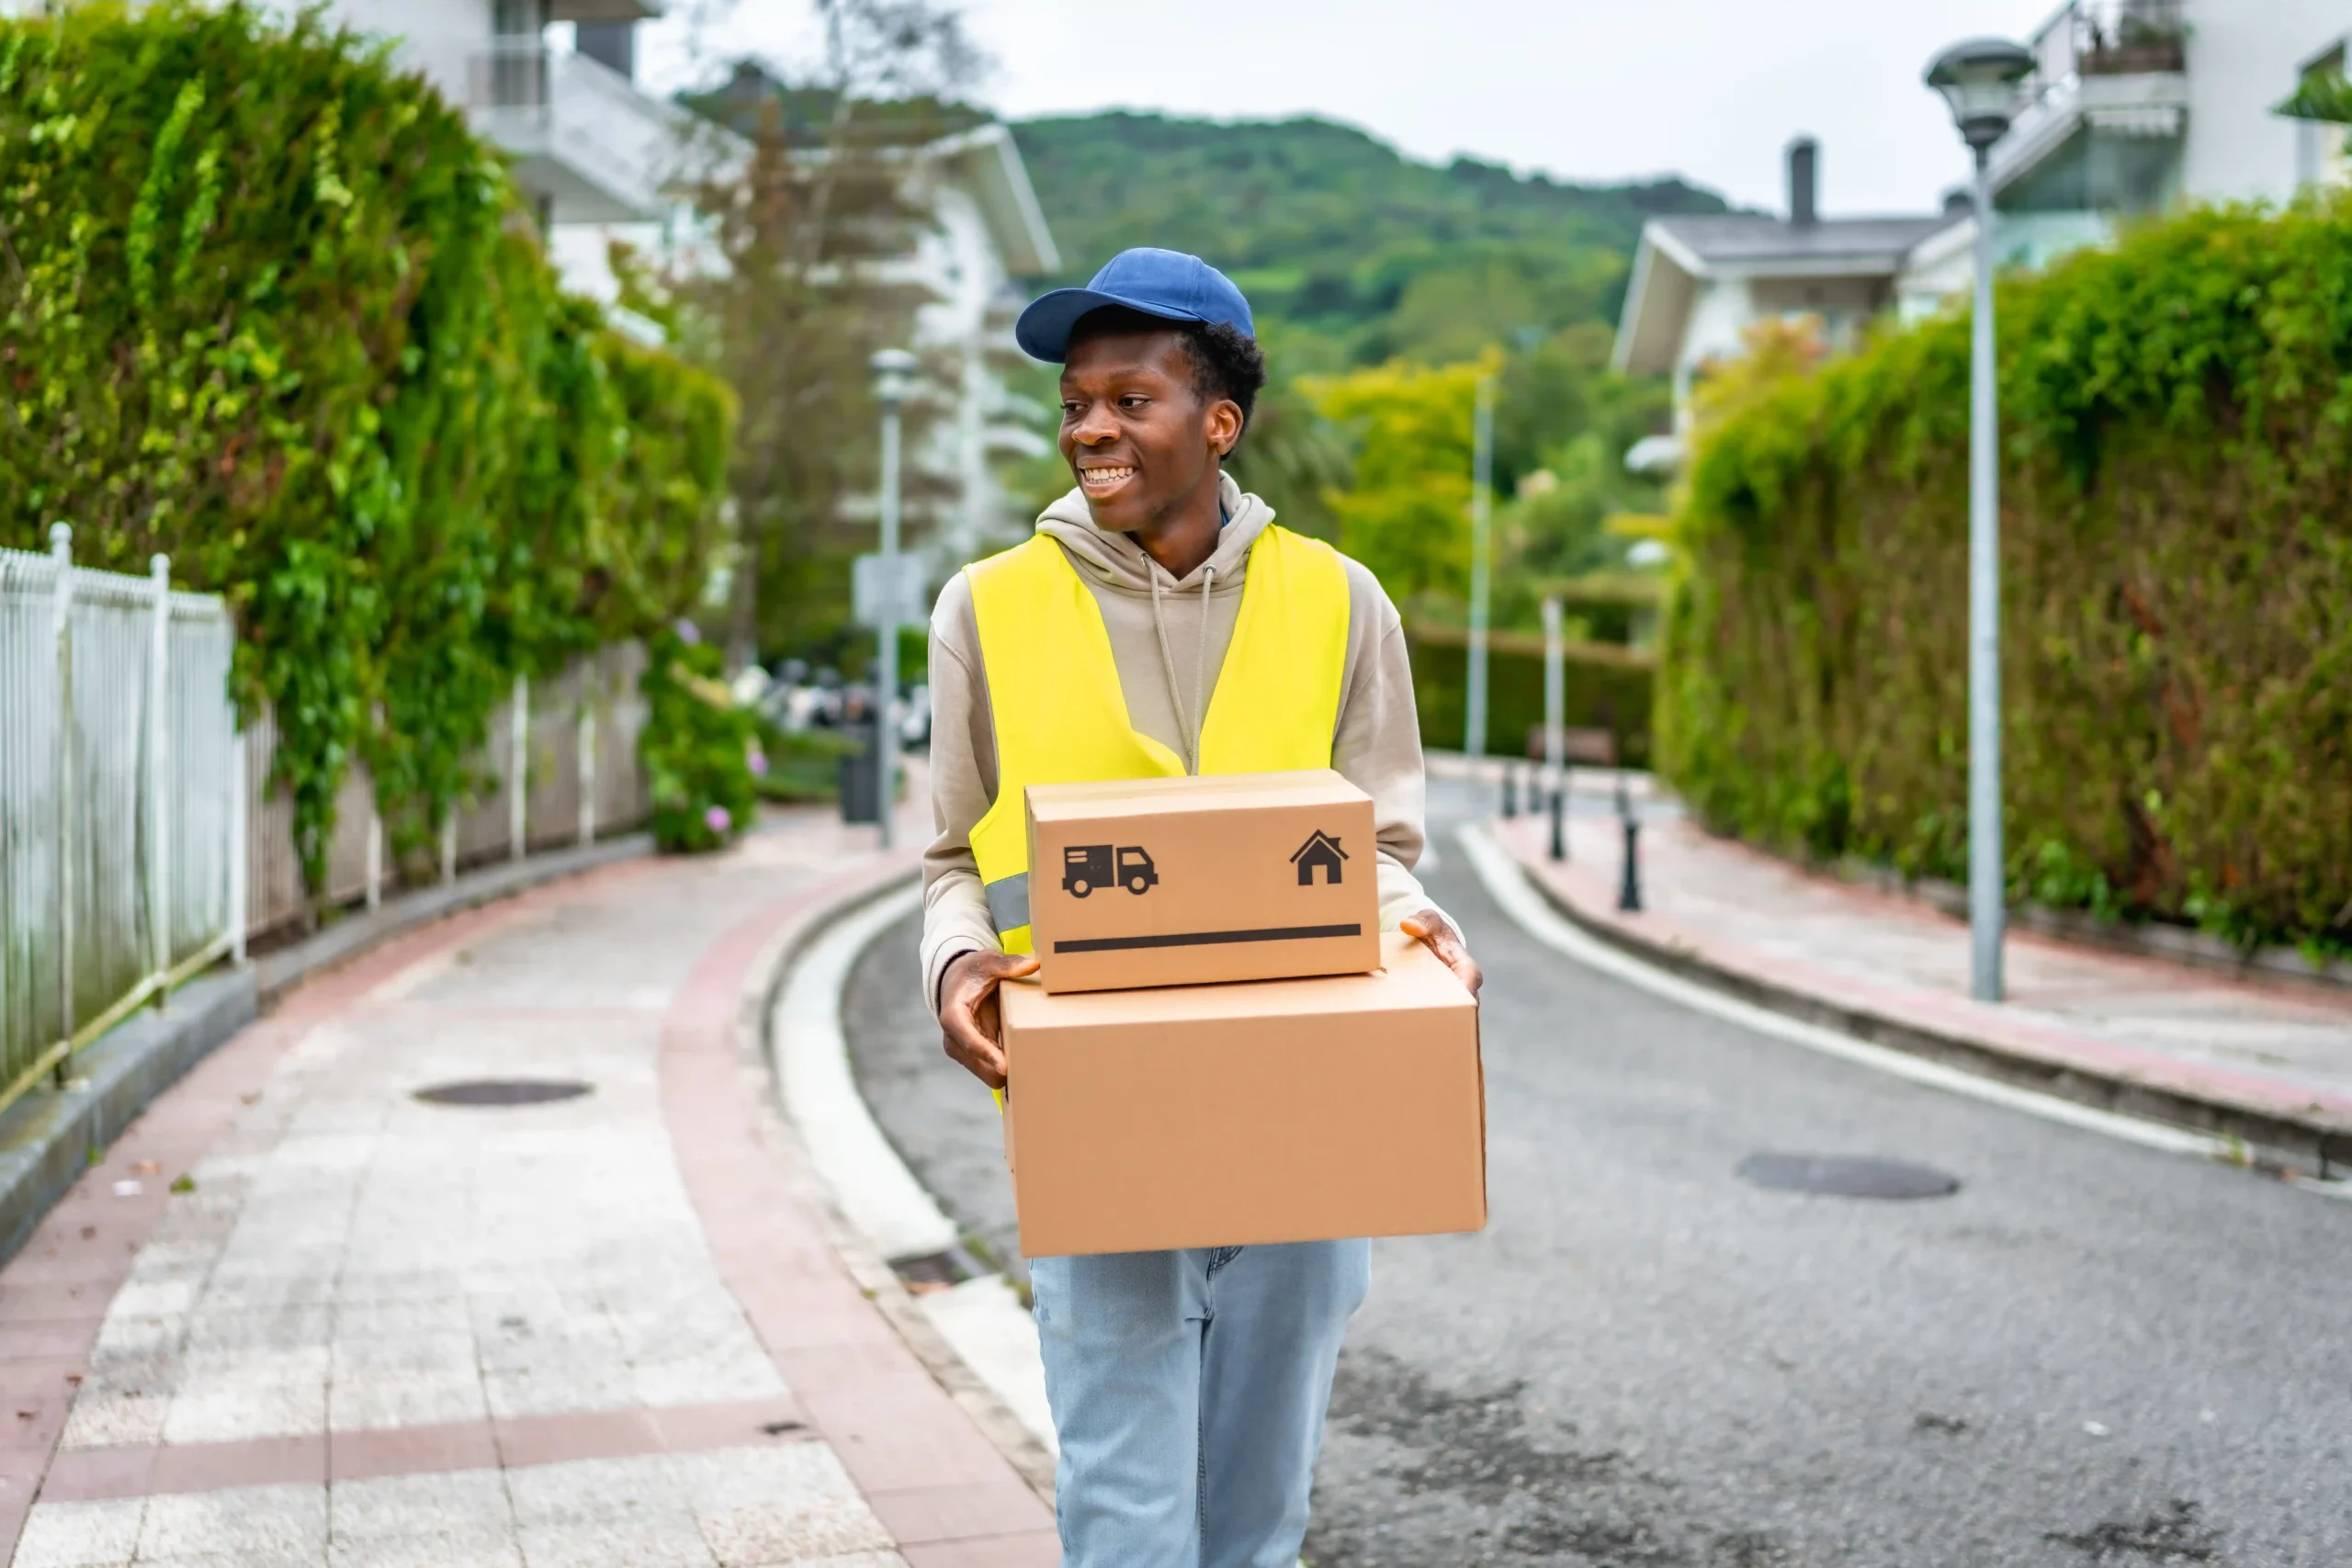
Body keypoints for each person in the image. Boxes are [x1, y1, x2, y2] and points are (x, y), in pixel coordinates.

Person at [920, 246, 1481, 1567]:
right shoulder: (985, 609)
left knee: (1257, 1508)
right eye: (1075, 403)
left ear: (1219, 421)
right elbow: (949, 853)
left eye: (1129, 399)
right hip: (1100, 1112)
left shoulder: (1340, 601)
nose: (1090, 430)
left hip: (1307, 1111)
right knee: (1125, 1507)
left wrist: (1421, 929)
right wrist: (954, 963)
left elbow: (1385, 844)